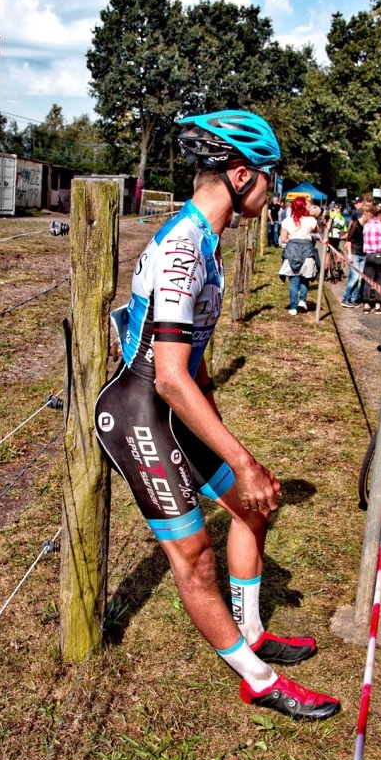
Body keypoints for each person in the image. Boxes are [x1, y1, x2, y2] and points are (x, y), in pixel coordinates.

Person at [95, 110, 339, 721]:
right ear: (239, 175)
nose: (273, 191)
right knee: (197, 554)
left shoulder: (207, 239)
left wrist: (228, 446)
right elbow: (171, 376)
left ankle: (251, 631)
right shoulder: (185, 249)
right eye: (268, 179)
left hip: (176, 403)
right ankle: (257, 678)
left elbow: (192, 366)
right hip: (139, 409)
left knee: (254, 507)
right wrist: (239, 456)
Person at [279, 196, 321, 315]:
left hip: (292, 251)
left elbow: (283, 239)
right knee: (304, 278)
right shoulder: (311, 221)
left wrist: (293, 240)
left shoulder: (286, 221)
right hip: (307, 250)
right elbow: (316, 231)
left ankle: (293, 307)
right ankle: (302, 300)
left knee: (294, 280)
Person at [361, 204, 381, 313]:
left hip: (369, 255)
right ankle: (378, 305)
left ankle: (366, 304)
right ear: (380, 213)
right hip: (380, 253)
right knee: (380, 280)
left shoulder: (366, 225)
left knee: (368, 280)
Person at [341, 198, 367, 307]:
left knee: (360, 278)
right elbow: (349, 239)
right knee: (354, 277)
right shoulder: (356, 225)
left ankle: (354, 298)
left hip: (364, 253)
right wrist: (350, 254)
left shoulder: (368, 226)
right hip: (355, 253)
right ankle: (346, 298)